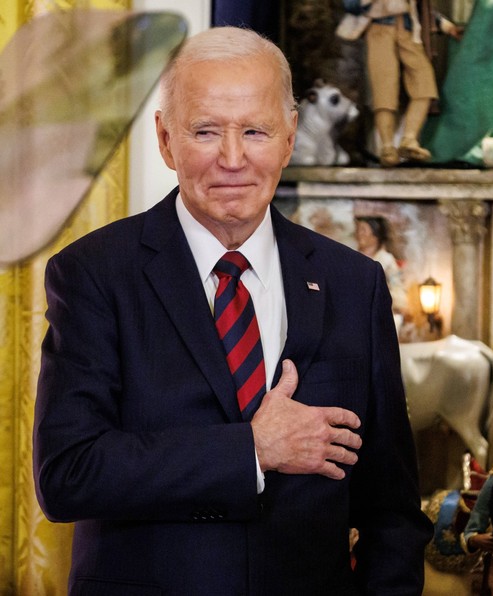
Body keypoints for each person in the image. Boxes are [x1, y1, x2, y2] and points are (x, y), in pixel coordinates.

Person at [33, 26, 432, 595]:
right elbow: (67, 474)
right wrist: (251, 449)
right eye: (205, 131)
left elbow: (391, 513)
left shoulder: (355, 284)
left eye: (255, 131)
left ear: (290, 138)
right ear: (166, 140)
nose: (232, 158)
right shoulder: (94, 274)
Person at [341, 0, 462, 167]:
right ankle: (387, 147)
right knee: (383, 88)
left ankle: (409, 139)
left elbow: (423, 12)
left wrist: (447, 27)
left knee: (424, 83)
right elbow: (351, 5)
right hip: (379, 28)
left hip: (409, 30)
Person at [355, 215, 409, 316]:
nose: (359, 234)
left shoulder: (386, 261)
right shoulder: (353, 258)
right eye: (358, 230)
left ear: (375, 234)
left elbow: (398, 293)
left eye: (364, 230)